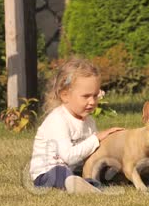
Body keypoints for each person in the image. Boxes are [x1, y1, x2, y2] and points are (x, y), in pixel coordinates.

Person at [29, 57, 124, 193]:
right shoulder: (58, 120)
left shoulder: (89, 121)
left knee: (107, 168)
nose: (92, 101)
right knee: (61, 172)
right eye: (86, 96)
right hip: (48, 174)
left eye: (95, 95)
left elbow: (90, 153)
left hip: (75, 171)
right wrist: (96, 138)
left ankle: (148, 178)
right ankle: (84, 186)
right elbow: (68, 156)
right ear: (65, 95)